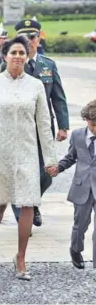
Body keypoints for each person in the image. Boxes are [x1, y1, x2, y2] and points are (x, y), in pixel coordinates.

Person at [0, 35, 57, 281]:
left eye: (23, 53)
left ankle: (21, 257)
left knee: (28, 202)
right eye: (14, 53)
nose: (19, 57)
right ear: (5, 56)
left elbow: (44, 123)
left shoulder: (36, 85)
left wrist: (50, 158)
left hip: (26, 151)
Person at [11, 19, 69, 227]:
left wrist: (63, 125)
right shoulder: (9, 64)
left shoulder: (48, 65)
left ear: (38, 38)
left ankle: (32, 203)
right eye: (24, 39)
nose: (29, 42)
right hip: (17, 127)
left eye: (33, 37)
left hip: (43, 128)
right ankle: (21, 213)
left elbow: (58, 97)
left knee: (46, 173)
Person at [53, 99, 96, 270]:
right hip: (82, 187)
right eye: (92, 125)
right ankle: (75, 249)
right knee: (80, 225)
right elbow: (71, 157)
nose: (95, 129)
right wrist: (57, 168)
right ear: (86, 121)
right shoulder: (78, 135)